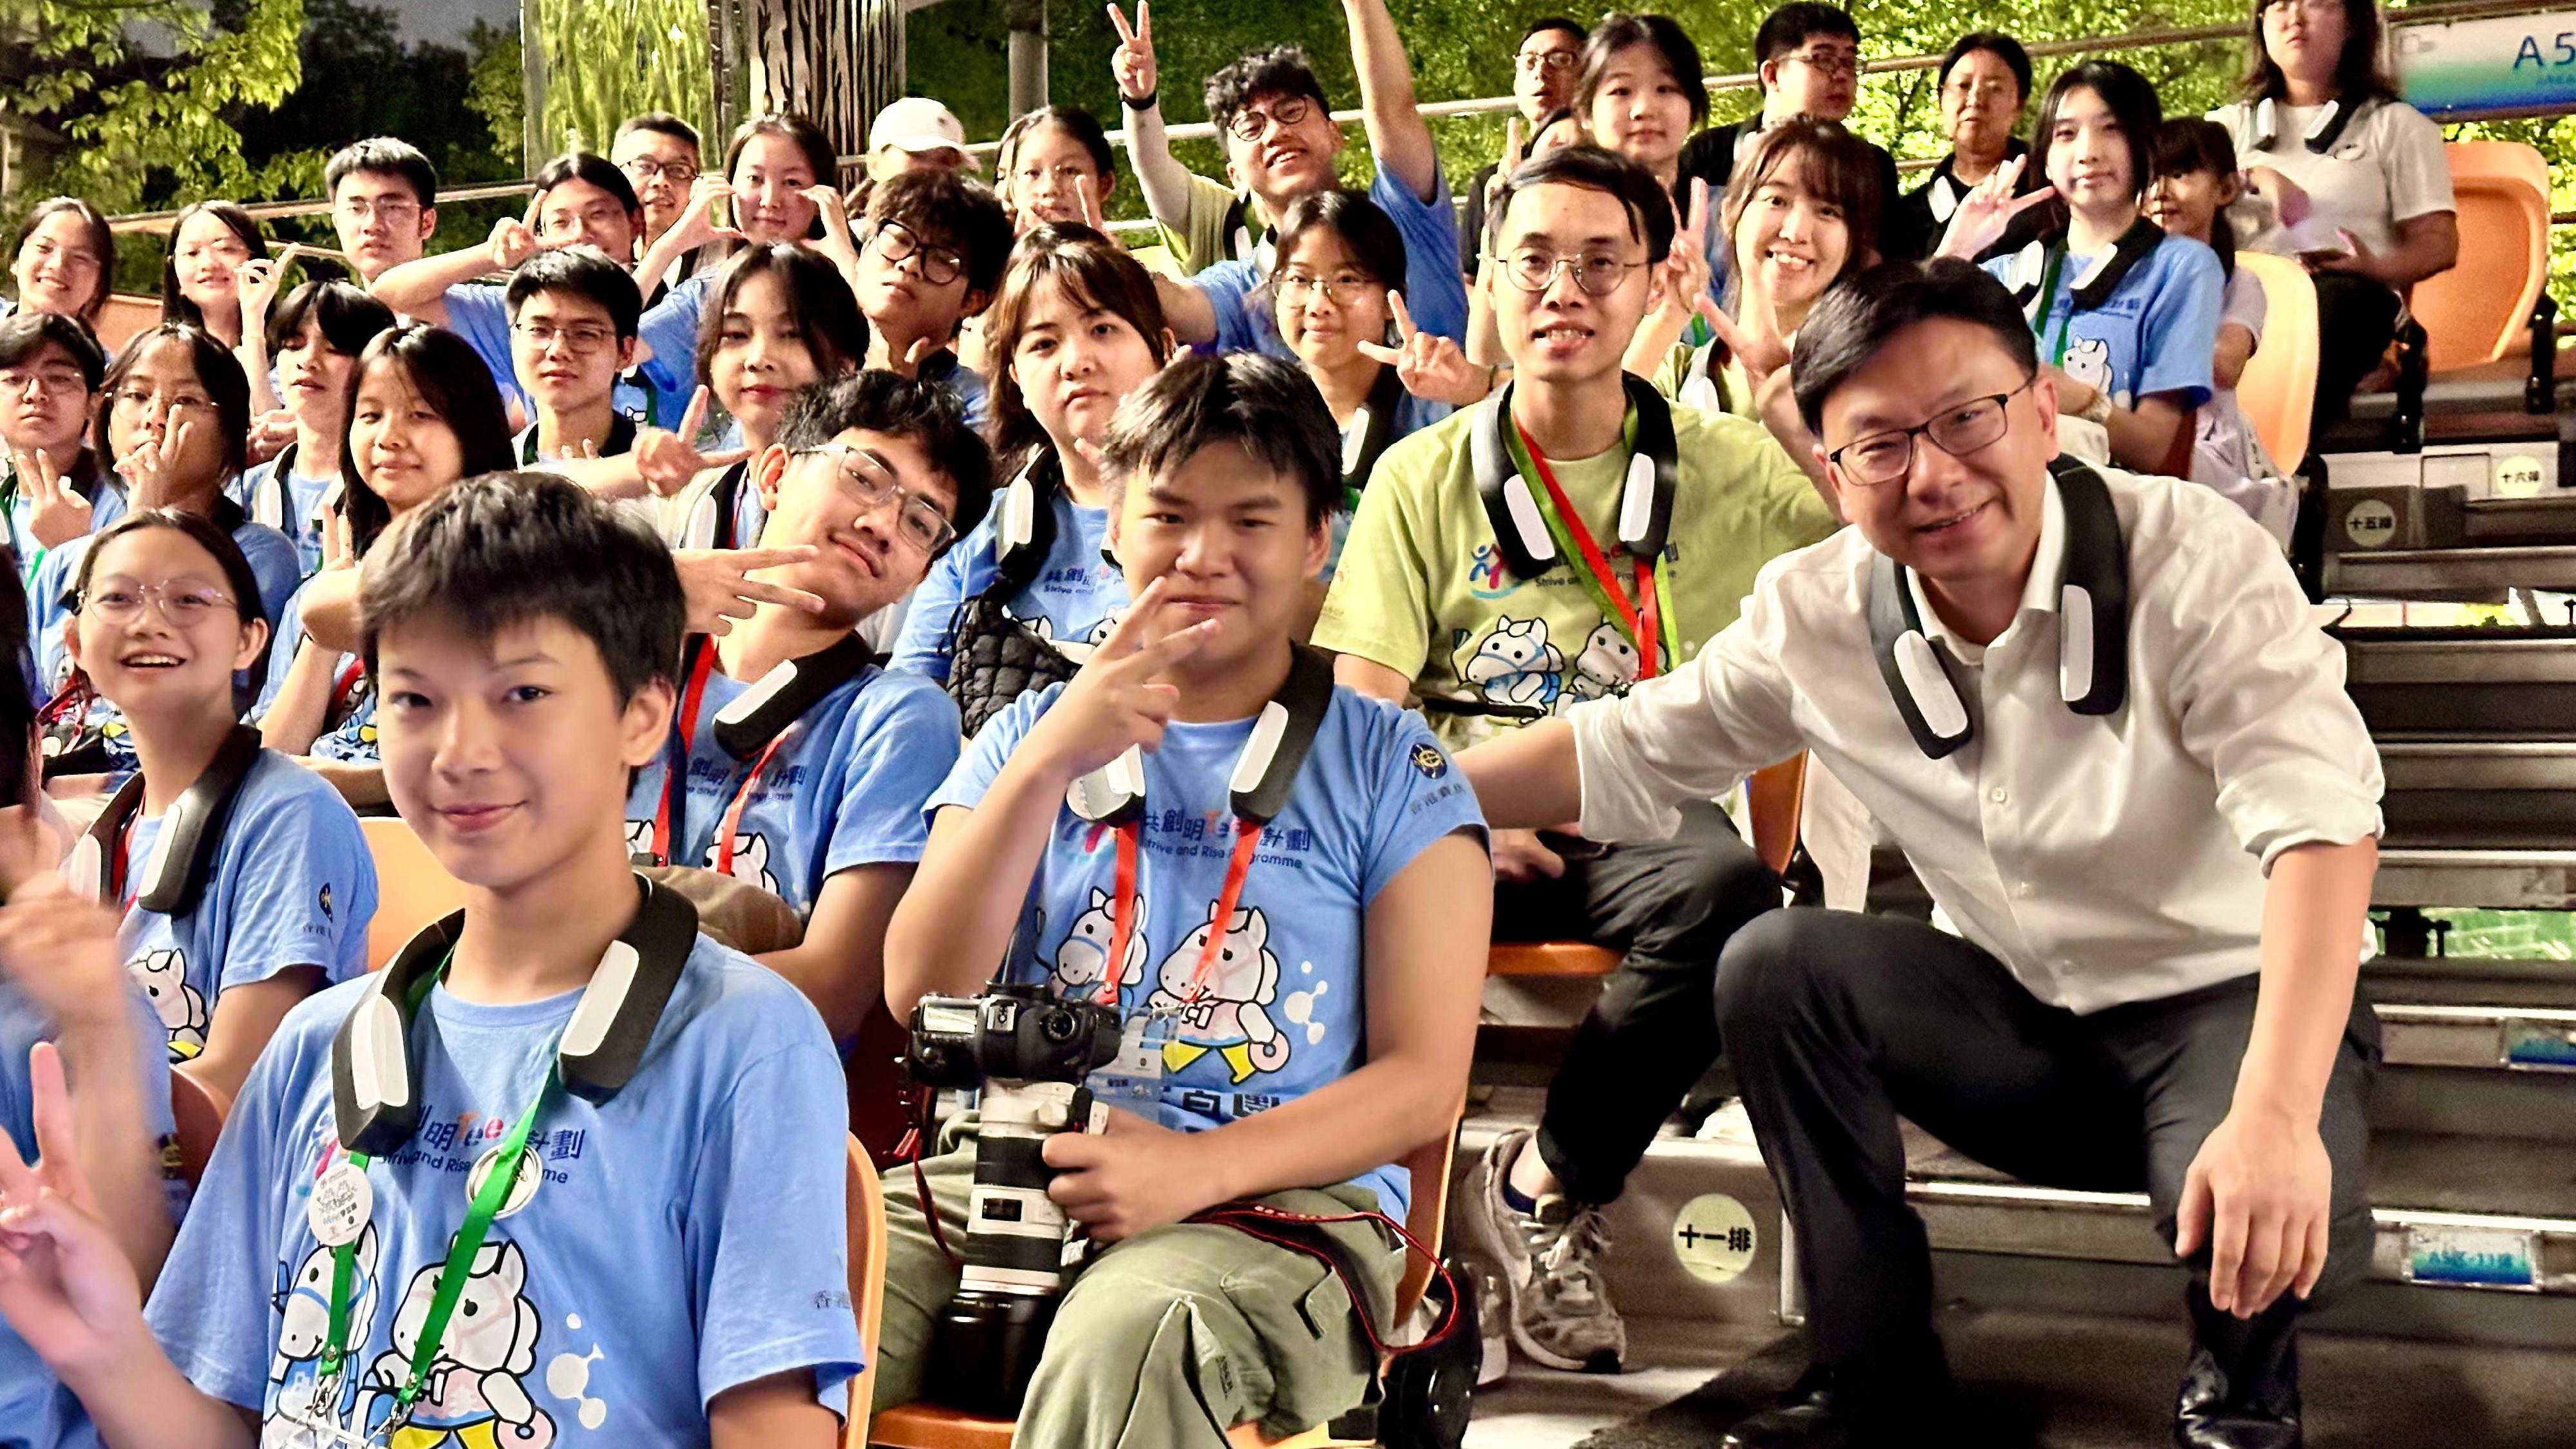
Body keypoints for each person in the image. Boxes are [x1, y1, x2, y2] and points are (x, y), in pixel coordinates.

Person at [1458, 257, 2384, 1449]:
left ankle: (2243, 1394)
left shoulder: (2193, 561)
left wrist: (2272, 1116)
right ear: (1834, 470)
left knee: (2266, 1204)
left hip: (2233, 1007)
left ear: (2044, 410)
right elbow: (1625, 748)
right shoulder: (1821, 608)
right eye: (1880, 445)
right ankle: (1873, 1378)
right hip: (2026, 1022)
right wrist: (1395, 788)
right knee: (1775, 961)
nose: (1934, 476)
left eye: (1967, 419)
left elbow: (2321, 827)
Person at [0, 473, 866, 1446]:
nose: (460, 749)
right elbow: (215, 1427)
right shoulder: (315, 1045)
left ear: (641, 711)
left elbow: (773, 1429)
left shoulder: (743, 1041)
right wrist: (96, 1345)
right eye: (413, 698)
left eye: (523, 693)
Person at [875, 351, 1489, 1444]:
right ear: (1115, 524)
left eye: (1251, 523)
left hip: (1281, 1207)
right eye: (1169, 515)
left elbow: (1424, 1086)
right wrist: (1043, 765)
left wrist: (1192, 1169)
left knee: (1139, 1333)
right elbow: (923, 994)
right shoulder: (1025, 740)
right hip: (1007, 1176)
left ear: (1316, 543)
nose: (1204, 556)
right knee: (792, 1287)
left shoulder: (1397, 767)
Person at [1317, 144, 1836, 1376]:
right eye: (1534, 260)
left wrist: (1792, 417)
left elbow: (1889, 562)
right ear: (1487, 281)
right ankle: (1353, 1235)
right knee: (1323, 885)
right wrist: (1457, 814)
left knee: (1733, 903)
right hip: (1448, 808)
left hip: (1642, 803)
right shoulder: (1421, 473)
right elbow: (1365, 705)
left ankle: (1545, 1187)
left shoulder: (1726, 461)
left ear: (1655, 285)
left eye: (1602, 263)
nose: (1565, 289)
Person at [627, 373, 988, 1041]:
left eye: (921, 523)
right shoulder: (622, 653)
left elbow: (834, 986)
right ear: (773, 475)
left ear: (922, 574)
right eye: (864, 477)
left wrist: (595, 1005)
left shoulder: (899, 718)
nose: (882, 523)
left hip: (733, 1090)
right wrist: (623, 591)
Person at [55, 510, 375, 1099]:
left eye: (189, 599)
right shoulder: (98, 844)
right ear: (75, 644)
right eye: (119, 599)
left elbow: (238, 1092)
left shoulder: (290, 816)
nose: (150, 622)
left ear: (250, 640)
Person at [889, 225, 1164, 687]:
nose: (1075, 361)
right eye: (1044, 344)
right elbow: (907, 699)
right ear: (1016, 378)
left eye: (1102, 329)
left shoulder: (1229, 513)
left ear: (1165, 349)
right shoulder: (981, 534)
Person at [254, 324, 515, 808]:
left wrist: (371, 781)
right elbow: (273, 752)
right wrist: (322, 634)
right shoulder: (327, 588)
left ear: (471, 429)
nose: (390, 437)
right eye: (370, 415)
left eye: (420, 414)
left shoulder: (507, 575)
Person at [30, 327, 302, 790]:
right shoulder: (66, 560)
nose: (156, 417)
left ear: (230, 431)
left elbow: (180, 693)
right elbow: (36, 698)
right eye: (136, 395)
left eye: (187, 401)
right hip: (52, 786)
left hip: (170, 790)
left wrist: (146, 524)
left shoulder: (258, 555)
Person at [1115, 0, 1468, 350]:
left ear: (1335, 134)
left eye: (1291, 111)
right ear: (1234, 175)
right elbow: (1176, 304)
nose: (1275, 133)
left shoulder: (1404, 216)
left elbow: (1394, 110)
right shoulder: (1243, 288)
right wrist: (1108, 268)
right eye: (1251, 127)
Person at [1944, 60, 2222, 481]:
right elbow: (1889, 341)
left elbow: (2153, 449)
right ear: (2048, 160)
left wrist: (2077, 397)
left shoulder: (2183, 267)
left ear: (2148, 148)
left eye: (2111, 129)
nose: (2089, 152)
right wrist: (1957, 247)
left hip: (2112, 503)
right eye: (2066, 134)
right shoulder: (2005, 274)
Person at [2211, 0, 2456, 433]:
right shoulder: (2225, 130)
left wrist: (2375, 267)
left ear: (2353, 25)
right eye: (2279, 5)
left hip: (2345, 302)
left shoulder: (2397, 126)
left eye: (2316, 2)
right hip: (2237, 307)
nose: (2294, 17)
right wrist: (2251, 176)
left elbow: (2439, 243)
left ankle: (2267, 461)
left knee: (2333, 305)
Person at [569, 244, 868, 554]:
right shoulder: (697, 491)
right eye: (736, 335)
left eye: (792, 334)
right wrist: (639, 471)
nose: (758, 358)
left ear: (846, 361)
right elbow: (527, 499)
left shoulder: (869, 501)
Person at [1264, 191, 1488, 561]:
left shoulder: (1434, 408)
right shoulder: (1259, 416)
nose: (1319, 305)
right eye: (1299, 280)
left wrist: (1475, 388)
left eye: (1348, 279)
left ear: (1391, 300)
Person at [1640, 117, 1880, 437]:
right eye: (1776, 200)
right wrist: (1669, 313)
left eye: (1828, 211)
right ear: (1729, 215)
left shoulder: (1871, 378)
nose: (1796, 232)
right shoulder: (1678, 371)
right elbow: (1590, 445)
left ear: (1853, 243)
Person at [367, 153, 648, 421]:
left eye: (598, 214)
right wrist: (491, 257)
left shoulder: (680, 303)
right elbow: (390, 292)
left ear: (634, 221)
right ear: (541, 234)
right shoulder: (521, 317)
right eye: (561, 222)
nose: (580, 234)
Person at [632, 112, 840, 424]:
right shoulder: (704, 296)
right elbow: (608, 345)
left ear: (821, 195)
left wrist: (845, 257)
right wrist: (667, 247)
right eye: (754, 180)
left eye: (792, 182)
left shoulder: (852, 286)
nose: (770, 200)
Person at [2149, 118, 2296, 543]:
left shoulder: (2239, 283)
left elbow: (2226, 366)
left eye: (2179, 175)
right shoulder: (2119, 278)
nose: (2161, 190)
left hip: (2206, 446)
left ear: (2226, 190)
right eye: (2151, 176)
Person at [1678, 5, 1904, 261]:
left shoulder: (1873, 165)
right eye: (1823, 60)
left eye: (1849, 62)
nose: (1841, 74)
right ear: (1772, 75)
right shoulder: (1708, 155)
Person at [230, 281, 397, 577]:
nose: (307, 360)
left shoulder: (389, 491)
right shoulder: (247, 489)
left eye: (333, 348)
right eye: (294, 345)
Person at [849, 171, 1010, 426]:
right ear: (866, 250)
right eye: (899, 240)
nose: (910, 264)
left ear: (972, 301)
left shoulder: (975, 408)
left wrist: (894, 402)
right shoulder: (806, 358)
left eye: (940, 259)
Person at [1889, 33, 2039, 264]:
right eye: (1963, 86)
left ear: (2019, 103)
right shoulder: (1907, 217)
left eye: (1994, 88)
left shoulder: (2046, 194)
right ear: (1941, 99)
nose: (1975, 99)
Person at [1461, 18, 1589, 278]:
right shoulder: (1493, 183)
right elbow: (1468, 279)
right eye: (1529, 62)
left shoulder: (1618, 171)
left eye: (1560, 59)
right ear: (1516, 84)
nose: (1540, 72)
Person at [505, 248, 644, 466]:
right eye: (539, 330)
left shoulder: (660, 478)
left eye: (585, 334)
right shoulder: (491, 472)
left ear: (625, 352)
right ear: (514, 340)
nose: (558, 350)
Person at [0, 314, 112, 578]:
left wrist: (72, 549)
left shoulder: (120, 500)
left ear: (93, 403)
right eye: (14, 380)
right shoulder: (7, 498)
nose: (34, 393)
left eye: (59, 378)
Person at [612, 111, 709, 306]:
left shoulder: (716, 267)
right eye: (644, 166)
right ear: (614, 176)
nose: (661, 181)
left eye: (679, 170)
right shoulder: (592, 257)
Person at [323, 138, 440, 287]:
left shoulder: (471, 307)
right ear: (337, 223)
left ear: (426, 223)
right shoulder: (323, 310)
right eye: (355, 209)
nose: (372, 225)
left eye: (392, 208)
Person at [157, 202, 269, 354]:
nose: (209, 263)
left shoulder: (292, 353)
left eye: (225, 249)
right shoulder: (162, 359)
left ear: (256, 261)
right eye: (192, 253)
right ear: (175, 277)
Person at [995, 106, 1119, 233]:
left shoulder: (1116, 253)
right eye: (1032, 173)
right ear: (1012, 187)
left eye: (1070, 171)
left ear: (1105, 185)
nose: (1049, 189)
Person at [5, 199, 115, 328]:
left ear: (99, 283)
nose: (58, 264)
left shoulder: (92, 349)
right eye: (44, 248)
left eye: (79, 258)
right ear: (15, 260)